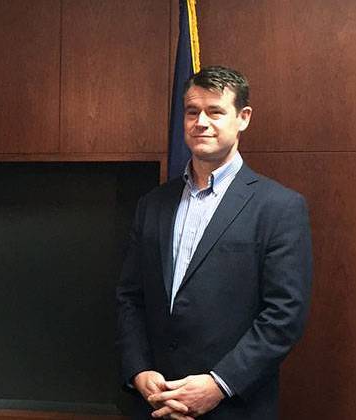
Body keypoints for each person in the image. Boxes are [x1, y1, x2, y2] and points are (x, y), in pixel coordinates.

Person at [116, 66, 312, 419]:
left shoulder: (280, 207)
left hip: (233, 407)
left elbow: (284, 316)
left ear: (243, 118)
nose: (201, 122)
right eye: (192, 112)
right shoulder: (153, 204)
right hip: (154, 404)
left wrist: (219, 384)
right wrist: (138, 370)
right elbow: (130, 297)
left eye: (215, 111)